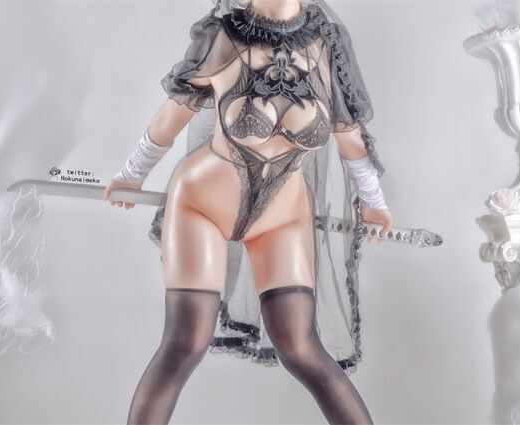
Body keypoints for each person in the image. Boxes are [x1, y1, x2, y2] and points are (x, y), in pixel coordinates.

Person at [103, 0, 391, 423]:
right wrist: (132, 174)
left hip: (282, 216)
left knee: (301, 347)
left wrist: (375, 202)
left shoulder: (326, 45)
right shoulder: (223, 37)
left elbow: (348, 135)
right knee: (186, 342)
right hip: (202, 205)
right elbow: (173, 114)